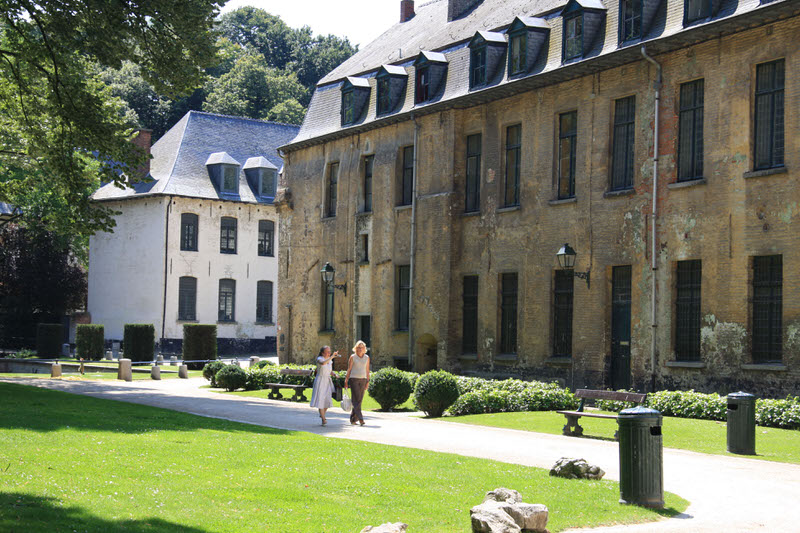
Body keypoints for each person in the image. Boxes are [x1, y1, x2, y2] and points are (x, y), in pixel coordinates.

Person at [310, 345, 338, 425]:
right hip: (320, 381)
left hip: (327, 381)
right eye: (328, 352)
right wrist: (332, 356)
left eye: (330, 352)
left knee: (327, 400)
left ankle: (322, 414)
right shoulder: (320, 359)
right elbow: (323, 364)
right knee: (320, 399)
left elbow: (329, 371)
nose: (329, 353)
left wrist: (335, 374)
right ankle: (323, 418)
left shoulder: (330, 361)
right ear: (323, 353)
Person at [344, 340, 370, 426]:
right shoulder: (352, 357)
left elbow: (367, 370)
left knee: (359, 400)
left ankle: (353, 419)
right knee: (357, 399)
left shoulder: (367, 357)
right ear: (356, 348)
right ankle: (361, 419)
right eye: (358, 347)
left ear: (364, 348)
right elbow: (349, 369)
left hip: (363, 379)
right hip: (354, 379)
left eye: (361, 347)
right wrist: (346, 380)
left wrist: (367, 381)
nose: (360, 349)